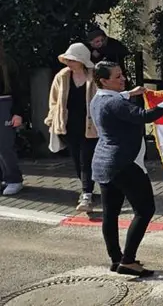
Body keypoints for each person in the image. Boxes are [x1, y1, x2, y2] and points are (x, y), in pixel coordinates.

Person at [90, 61, 163, 277]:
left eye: (122, 74)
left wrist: (130, 93)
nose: (123, 79)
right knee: (144, 210)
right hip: (125, 164)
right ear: (104, 80)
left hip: (104, 163)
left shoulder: (98, 99)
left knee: (110, 214)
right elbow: (144, 116)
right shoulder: (114, 103)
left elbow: (118, 101)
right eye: (117, 77)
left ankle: (116, 259)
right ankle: (128, 261)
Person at [45, 43, 98, 212]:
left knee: (86, 159)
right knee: (77, 160)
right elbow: (54, 100)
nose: (69, 62)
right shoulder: (62, 76)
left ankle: (86, 195)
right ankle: (87, 188)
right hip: (68, 125)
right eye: (67, 59)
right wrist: (52, 119)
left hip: (90, 125)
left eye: (72, 59)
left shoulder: (95, 76)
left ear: (82, 60)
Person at [0, 41, 24, 196]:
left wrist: (18, 112)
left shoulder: (7, 62)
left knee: (5, 145)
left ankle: (14, 179)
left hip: (4, 103)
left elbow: (19, 89)